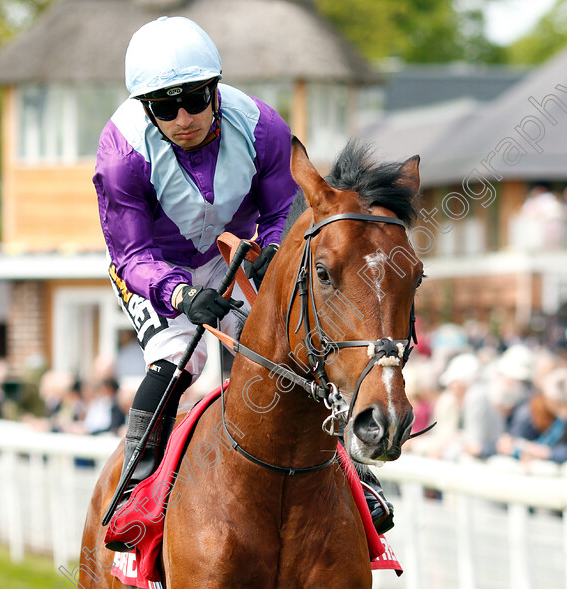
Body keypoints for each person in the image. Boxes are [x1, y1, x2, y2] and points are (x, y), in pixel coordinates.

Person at [93, 16, 394, 541]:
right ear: (145, 108)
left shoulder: (261, 126)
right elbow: (131, 252)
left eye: (193, 100)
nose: (182, 117)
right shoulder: (122, 155)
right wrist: (180, 293)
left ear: (216, 89)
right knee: (177, 361)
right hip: (156, 269)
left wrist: (272, 252)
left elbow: (284, 208)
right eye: (164, 107)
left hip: (237, 251)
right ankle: (136, 492)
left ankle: (355, 473)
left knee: (300, 349)